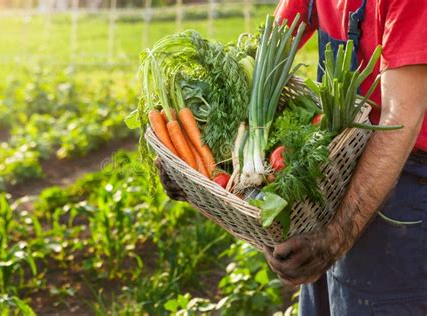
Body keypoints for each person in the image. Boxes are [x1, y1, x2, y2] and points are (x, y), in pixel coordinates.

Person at [156, 0, 427, 314]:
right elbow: (259, 64)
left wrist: (336, 236)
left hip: (402, 186)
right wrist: (191, 153)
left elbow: (400, 121)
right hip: (336, 173)